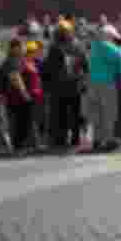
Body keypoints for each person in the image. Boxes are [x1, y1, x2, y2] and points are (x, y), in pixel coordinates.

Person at [43, 22, 89, 150]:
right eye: (62, 31)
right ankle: (62, 139)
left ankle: (72, 138)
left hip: (72, 85)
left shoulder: (75, 46)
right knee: (62, 114)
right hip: (61, 87)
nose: (64, 34)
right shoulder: (55, 47)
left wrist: (84, 79)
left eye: (65, 31)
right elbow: (48, 68)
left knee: (72, 114)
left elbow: (85, 64)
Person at [85, 24, 121, 152]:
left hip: (92, 83)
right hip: (106, 83)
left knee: (97, 113)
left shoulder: (93, 47)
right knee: (109, 112)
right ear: (108, 36)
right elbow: (120, 57)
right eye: (113, 38)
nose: (114, 40)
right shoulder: (107, 46)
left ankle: (97, 140)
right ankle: (109, 140)